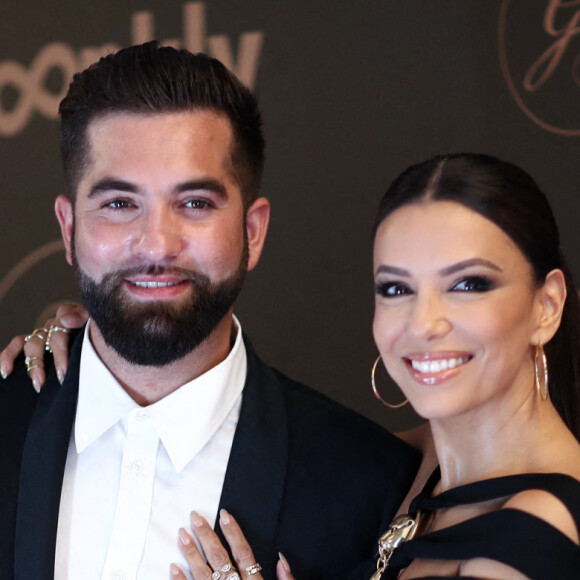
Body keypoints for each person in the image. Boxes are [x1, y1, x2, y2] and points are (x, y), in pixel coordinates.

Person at [0, 42, 421, 580]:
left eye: (195, 203)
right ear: (68, 228)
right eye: (119, 204)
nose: (156, 245)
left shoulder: (367, 486)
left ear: (253, 230)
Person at [368, 153, 580, 579]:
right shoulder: (414, 464)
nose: (423, 323)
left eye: (468, 284)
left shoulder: (534, 531)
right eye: (396, 288)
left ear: (547, 306)